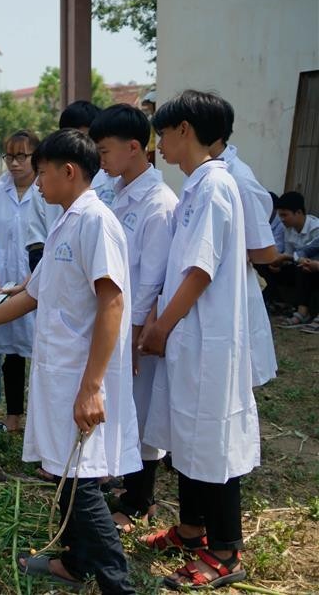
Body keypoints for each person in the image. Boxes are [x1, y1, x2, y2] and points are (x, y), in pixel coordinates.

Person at [0, 128, 140, 594]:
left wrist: (93, 385)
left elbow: (112, 302)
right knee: (65, 470)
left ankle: (117, 584)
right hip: (58, 369)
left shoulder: (96, 222)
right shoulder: (64, 221)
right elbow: (33, 293)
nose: (36, 182)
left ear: (68, 172)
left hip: (81, 373)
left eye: (42, 172)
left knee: (82, 478)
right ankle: (74, 563)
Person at [139, 90, 257, 591]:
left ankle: (225, 550)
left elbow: (200, 269)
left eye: (162, 133)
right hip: (191, 338)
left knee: (212, 439)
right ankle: (191, 529)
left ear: (184, 129)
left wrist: (162, 325)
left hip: (204, 339)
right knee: (187, 432)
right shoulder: (197, 186)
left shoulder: (214, 186)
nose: (159, 143)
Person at [90, 104, 178, 533]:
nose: (100, 159)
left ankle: (141, 499)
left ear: (133, 147)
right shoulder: (119, 192)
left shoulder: (159, 203)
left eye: (104, 150)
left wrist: (139, 330)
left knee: (142, 411)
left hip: (138, 325)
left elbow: (155, 277)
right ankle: (125, 484)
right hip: (120, 322)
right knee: (125, 406)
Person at [0, 130, 57, 432]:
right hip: (3, 284)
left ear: (35, 158)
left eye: (21, 156)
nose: (14, 163)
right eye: (9, 156)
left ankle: (39, 420)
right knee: (8, 350)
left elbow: (46, 241)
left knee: (38, 349)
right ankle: (12, 418)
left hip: (37, 283)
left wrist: (30, 279)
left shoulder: (47, 192)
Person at [209, 99, 280, 386]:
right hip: (216, 294)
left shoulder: (238, 178)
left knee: (236, 384)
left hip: (233, 288)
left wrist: (230, 252)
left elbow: (266, 251)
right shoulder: (207, 175)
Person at [264, 191, 319, 327]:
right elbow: (290, 254)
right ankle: (277, 302)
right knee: (267, 266)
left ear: (298, 212)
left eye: (285, 215)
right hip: (303, 267)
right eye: (280, 215)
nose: (282, 219)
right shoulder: (288, 229)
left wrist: (288, 258)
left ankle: (302, 313)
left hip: (312, 269)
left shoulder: (315, 228)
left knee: (303, 268)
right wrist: (279, 263)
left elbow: (306, 252)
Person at [61, 100, 115, 206]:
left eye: (88, 139)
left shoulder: (114, 177)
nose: (82, 145)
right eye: (76, 139)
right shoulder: (47, 180)